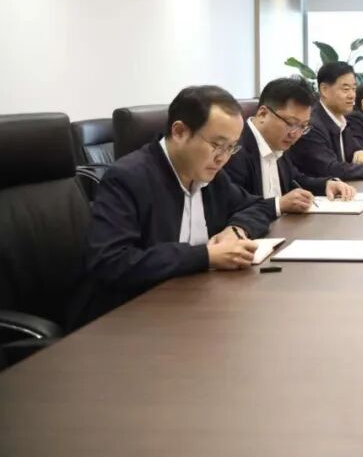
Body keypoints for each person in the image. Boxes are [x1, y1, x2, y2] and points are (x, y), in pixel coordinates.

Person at [71, 86, 275, 327]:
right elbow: (111, 262)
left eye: (231, 147)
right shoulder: (128, 178)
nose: (223, 158)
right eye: (217, 145)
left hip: (191, 305)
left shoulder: (210, 175)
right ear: (179, 132)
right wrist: (206, 256)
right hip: (126, 319)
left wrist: (237, 229)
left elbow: (258, 206)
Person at [224, 77, 356, 215]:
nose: (296, 134)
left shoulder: (280, 142)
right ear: (263, 114)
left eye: (303, 126)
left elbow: (295, 180)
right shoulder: (233, 149)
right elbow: (235, 205)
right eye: (291, 123)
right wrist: (278, 205)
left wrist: (327, 184)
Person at [289, 61, 363, 179]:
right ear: (324, 90)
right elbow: (332, 169)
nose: (352, 95)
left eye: (353, 89)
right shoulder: (312, 125)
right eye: (345, 89)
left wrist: (362, 152)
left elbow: (360, 148)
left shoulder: (341, 120)